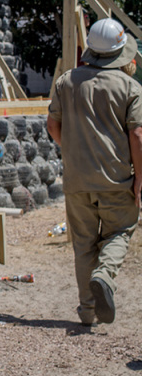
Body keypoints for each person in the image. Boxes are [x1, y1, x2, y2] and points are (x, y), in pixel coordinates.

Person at [47, 17, 142, 326]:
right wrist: (140, 178)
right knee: (121, 230)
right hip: (115, 178)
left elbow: (52, 126)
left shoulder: (66, 80)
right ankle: (104, 275)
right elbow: (137, 136)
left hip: (76, 178)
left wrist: (73, 151)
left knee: (83, 243)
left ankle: (87, 311)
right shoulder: (130, 87)